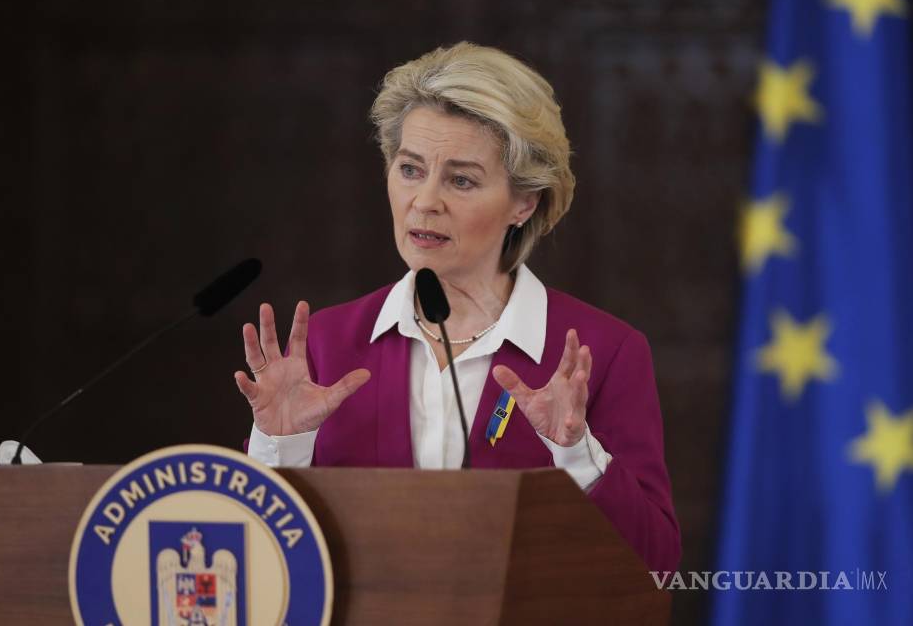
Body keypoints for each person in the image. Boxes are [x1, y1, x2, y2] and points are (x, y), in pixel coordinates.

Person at [235, 42, 681, 573]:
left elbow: (656, 564)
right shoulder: (327, 343)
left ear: (524, 202)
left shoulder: (600, 352)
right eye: (410, 169)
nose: (425, 201)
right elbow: (257, 564)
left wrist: (577, 454)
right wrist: (278, 447)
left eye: (461, 180)